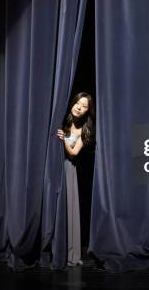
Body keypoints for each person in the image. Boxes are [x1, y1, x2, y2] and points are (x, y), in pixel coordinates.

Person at [56, 92, 95, 267]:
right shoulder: (61, 117)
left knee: (69, 208)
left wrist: (64, 139)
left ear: (88, 111)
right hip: (53, 167)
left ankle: (70, 252)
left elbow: (73, 153)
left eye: (84, 106)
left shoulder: (84, 130)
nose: (79, 107)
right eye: (78, 103)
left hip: (68, 168)